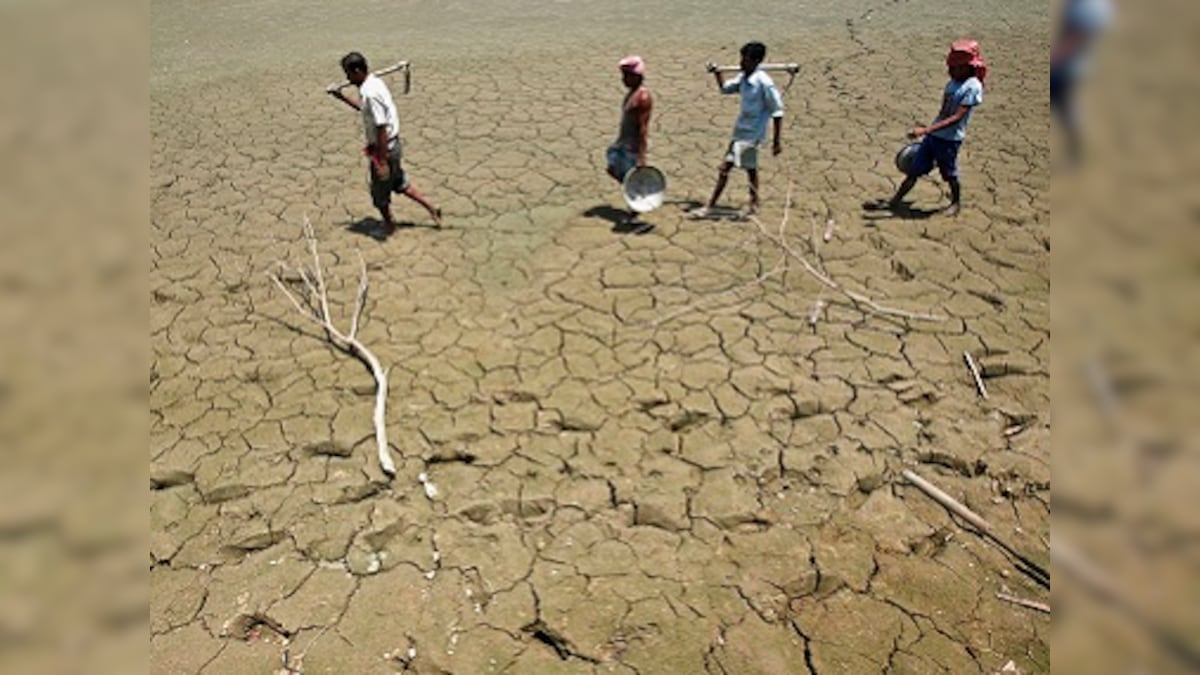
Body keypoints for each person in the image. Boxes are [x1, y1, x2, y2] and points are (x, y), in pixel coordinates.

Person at [327, 52, 442, 232]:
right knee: (399, 184)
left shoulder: (370, 93)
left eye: (348, 74)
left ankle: (389, 227)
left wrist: (381, 161)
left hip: (384, 148)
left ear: (357, 71)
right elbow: (365, 111)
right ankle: (432, 208)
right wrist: (341, 97)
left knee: (379, 195)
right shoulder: (374, 83)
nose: (347, 78)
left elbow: (381, 126)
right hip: (392, 146)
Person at [874, 39, 987, 217]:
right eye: (950, 67)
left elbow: (956, 118)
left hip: (949, 140)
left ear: (967, 67)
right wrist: (930, 131)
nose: (950, 71)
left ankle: (956, 203)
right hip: (934, 137)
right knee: (914, 170)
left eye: (955, 68)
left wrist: (926, 130)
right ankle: (895, 201)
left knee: (949, 174)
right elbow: (943, 112)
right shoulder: (953, 84)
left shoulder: (972, 87)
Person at [690, 41, 784, 219]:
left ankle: (718, 205)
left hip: (752, 135)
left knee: (739, 169)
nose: (741, 62)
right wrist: (717, 73)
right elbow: (725, 89)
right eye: (741, 58)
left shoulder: (763, 82)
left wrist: (777, 142)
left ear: (756, 61)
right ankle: (749, 203)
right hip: (740, 132)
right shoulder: (743, 78)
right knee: (735, 169)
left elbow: (778, 111)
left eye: (746, 59)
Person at [1051, 0, 1113, 166]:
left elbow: (1077, 37)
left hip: (1069, 68)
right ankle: (1075, 153)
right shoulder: (1084, 5)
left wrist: (1055, 60)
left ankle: (1076, 155)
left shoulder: (1090, 7)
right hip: (1071, 66)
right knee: (1065, 110)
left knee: (1066, 111)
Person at [605, 56, 653, 224]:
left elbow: (642, 128)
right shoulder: (632, 94)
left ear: (638, 76)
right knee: (613, 169)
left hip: (633, 147)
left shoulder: (643, 97)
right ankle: (636, 200)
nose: (623, 80)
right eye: (623, 75)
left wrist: (641, 155)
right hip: (623, 143)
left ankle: (635, 212)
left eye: (627, 76)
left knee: (631, 179)